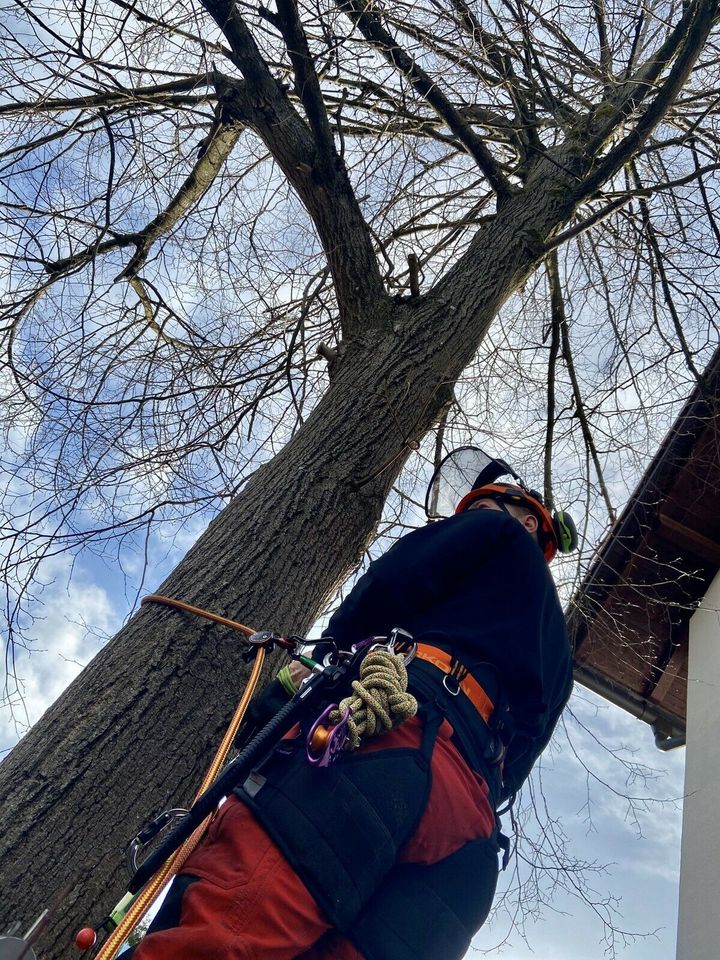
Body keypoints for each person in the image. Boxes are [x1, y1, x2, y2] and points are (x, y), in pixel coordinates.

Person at [128, 447, 577, 960]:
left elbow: (391, 583)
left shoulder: (492, 534)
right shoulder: (557, 653)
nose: (467, 521)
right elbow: (520, 763)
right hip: (466, 839)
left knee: (229, 934)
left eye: (478, 511)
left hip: (388, 746)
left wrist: (323, 653)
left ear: (520, 518)